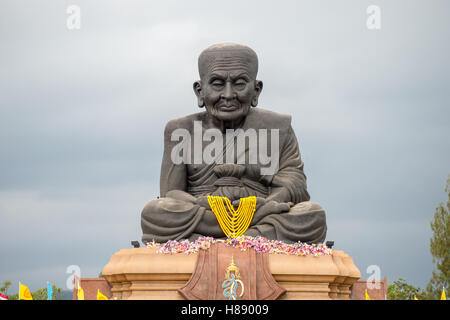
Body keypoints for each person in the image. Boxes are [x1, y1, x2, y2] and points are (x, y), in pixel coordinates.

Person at [141, 43, 327, 244]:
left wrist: (265, 205)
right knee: (155, 212)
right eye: (217, 84)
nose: (228, 95)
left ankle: (214, 239)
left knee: (311, 214)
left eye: (239, 83)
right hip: (206, 212)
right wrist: (203, 205)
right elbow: (171, 192)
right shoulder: (180, 130)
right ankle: (248, 238)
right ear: (199, 91)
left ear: (256, 90)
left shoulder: (278, 127)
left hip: (262, 211)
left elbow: (295, 185)